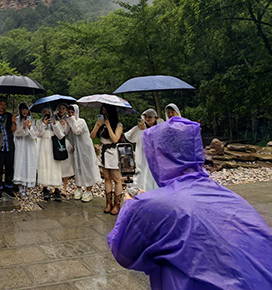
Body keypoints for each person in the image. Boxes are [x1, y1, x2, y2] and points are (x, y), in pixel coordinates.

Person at [108, 116, 272, 289]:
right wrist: (155, 201)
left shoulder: (150, 206)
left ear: (157, 157)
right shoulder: (227, 195)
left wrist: (131, 207)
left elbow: (124, 253)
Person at [90, 104, 124, 215]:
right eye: (102, 112)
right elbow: (92, 136)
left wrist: (109, 126)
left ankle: (117, 204)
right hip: (103, 152)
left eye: (106, 112)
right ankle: (108, 203)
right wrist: (97, 125)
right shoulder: (101, 125)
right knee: (107, 179)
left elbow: (115, 139)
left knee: (116, 179)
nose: (104, 114)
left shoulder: (118, 125)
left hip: (113, 152)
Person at [66, 104, 101, 202]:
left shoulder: (81, 121)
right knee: (78, 168)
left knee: (87, 167)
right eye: (69, 113)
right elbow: (68, 135)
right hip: (76, 149)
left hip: (85, 148)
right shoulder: (70, 122)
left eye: (72, 112)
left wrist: (72, 120)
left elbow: (77, 131)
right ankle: (78, 188)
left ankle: (89, 190)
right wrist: (71, 145)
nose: (71, 114)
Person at [124, 108, 161, 192]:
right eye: (146, 117)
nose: (147, 119)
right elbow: (128, 137)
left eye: (150, 117)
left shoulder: (159, 129)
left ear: (155, 118)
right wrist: (138, 128)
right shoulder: (140, 129)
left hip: (154, 159)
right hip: (141, 158)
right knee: (140, 177)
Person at [35, 106, 65, 201]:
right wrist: (43, 124)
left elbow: (61, 135)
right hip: (44, 145)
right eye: (45, 112)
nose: (46, 113)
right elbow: (38, 134)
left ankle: (56, 189)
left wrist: (55, 125)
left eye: (48, 112)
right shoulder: (39, 122)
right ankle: (45, 188)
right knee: (44, 165)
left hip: (54, 145)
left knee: (55, 166)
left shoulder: (56, 121)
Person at [13, 102, 38, 197]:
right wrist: (23, 127)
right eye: (22, 109)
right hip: (19, 145)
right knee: (20, 164)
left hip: (29, 145)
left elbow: (34, 135)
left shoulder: (32, 120)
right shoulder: (17, 119)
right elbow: (16, 133)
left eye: (26, 109)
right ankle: (20, 188)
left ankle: (27, 187)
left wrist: (30, 127)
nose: (24, 111)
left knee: (29, 163)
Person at [55, 103, 73, 197]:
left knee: (66, 166)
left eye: (63, 108)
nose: (61, 110)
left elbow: (67, 132)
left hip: (65, 142)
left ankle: (64, 187)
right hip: (56, 142)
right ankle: (56, 186)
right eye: (59, 108)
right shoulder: (54, 118)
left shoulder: (68, 119)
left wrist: (64, 125)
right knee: (56, 165)